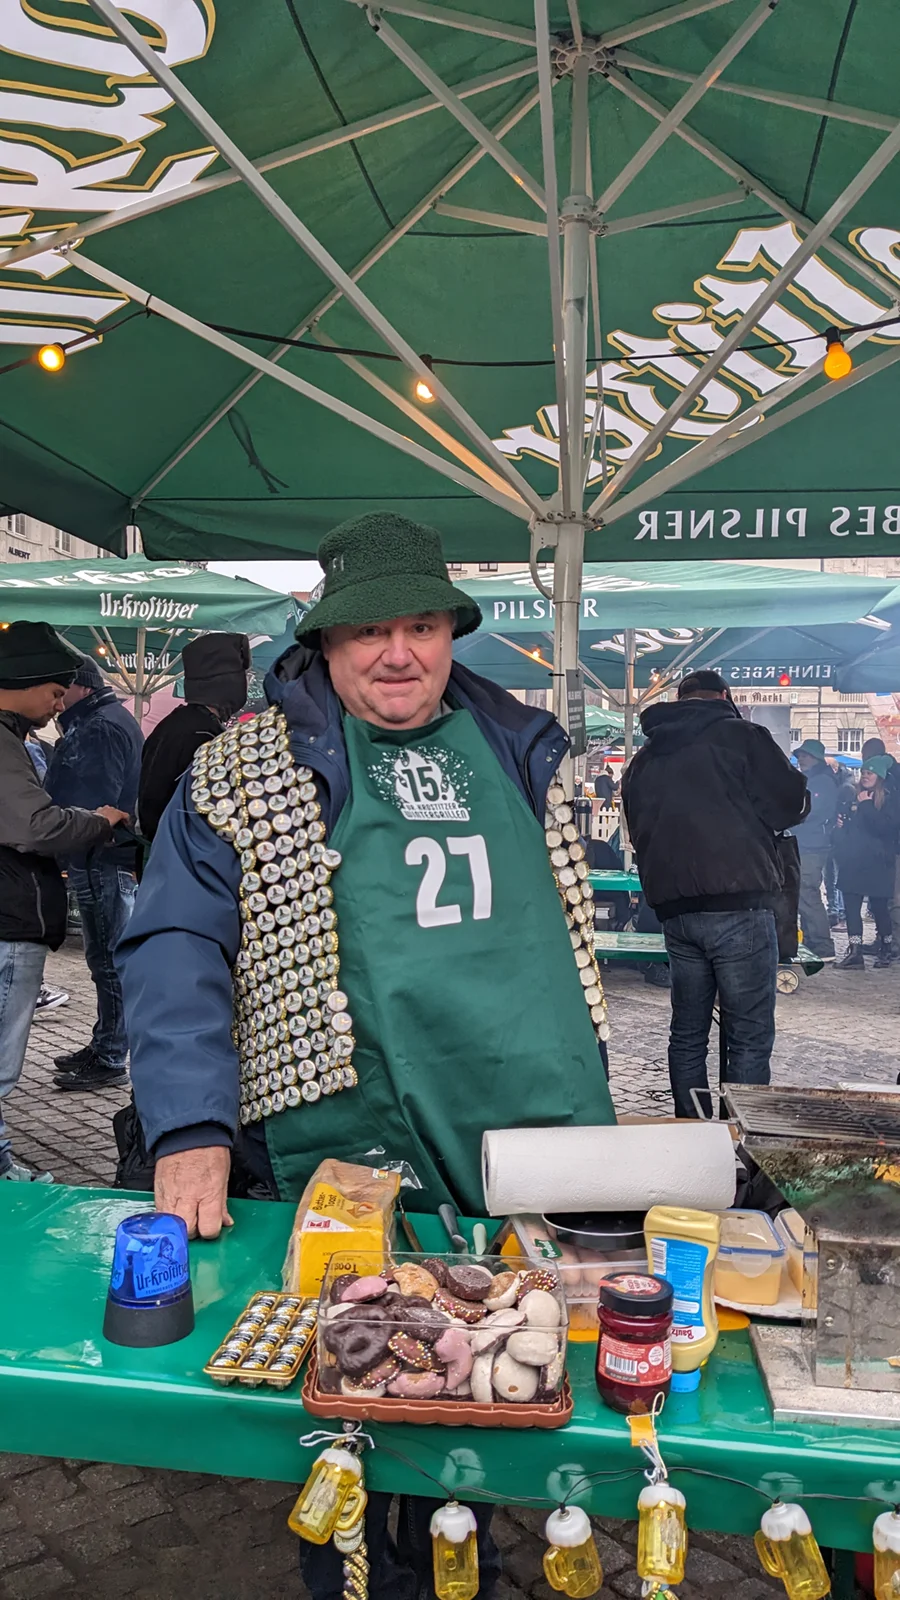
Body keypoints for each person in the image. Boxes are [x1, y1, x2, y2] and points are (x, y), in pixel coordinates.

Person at [119, 512, 616, 1600]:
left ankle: (460, 1537)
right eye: (369, 631)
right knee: (353, 1375)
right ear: (325, 644)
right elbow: (173, 947)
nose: (400, 652)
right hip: (357, 1129)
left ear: (452, 631)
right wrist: (193, 1126)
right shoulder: (242, 767)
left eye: (423, 625)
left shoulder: (524, 740)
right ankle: (357, 1568)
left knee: (502, 1360)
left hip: (535, 1124)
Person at [621, 669, 808, 1119]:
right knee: (747, 1032)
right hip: (740, 901)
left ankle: (692, 1131)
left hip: (676, 911)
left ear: (680, 699)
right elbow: (790, 804)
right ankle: (739, 1144)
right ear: (724, 696)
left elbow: (636, 827)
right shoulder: (743, 736)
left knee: (688, 1031)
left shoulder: (644, 758)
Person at [0, 623, 127, 1181]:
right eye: (54, 690)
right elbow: (36, 825)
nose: (58, 703)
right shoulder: (2, 741)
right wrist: (98, 821)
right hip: (7, 924)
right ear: (24, 681)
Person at [46, 656, 143, 1091]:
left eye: (58, 688)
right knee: (105, 959)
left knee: (107, 961)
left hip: (101, 857)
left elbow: (98, 804)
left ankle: (109, 1055)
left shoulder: (98, 726)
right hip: (102, 859)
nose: (53, 698)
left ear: (79, 686)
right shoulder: (102, 718)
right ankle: (106, 1042)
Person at [137, 632, 250, 843]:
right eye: (243, 676)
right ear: (228, 682)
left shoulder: (171, 724)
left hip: (161, 853)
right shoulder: (205, 737)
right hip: (186, 858)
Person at [834, 753, 898, 969]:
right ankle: (855, 952)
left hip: (878, 862)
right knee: (851, 906)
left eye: (869, 773)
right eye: (863, 772)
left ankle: (886, 948)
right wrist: (841, 829)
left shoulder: (889, 799)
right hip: (854, 860)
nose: (864, 776)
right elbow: (852, 829)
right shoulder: (855, 796)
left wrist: (866, 807)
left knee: (880, 908)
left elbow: (885, 828)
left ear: (879, 776)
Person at [791, 739, 846, 958]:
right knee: (804, 893)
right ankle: (813, 942)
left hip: (813, 845)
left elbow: (810, 812)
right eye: (800, 755)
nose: (800, 759)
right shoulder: (814, 779)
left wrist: (788, 818)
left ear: (815, 758)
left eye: (804, 755)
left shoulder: (822, 782)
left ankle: (823, 945)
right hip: (806, 843)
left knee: (808, 892)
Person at [861, 737, 900, 952]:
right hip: (886, 847)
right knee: (883, 900)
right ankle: (885, 940)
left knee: (893, 900)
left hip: (892, 846)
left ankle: (893, 943)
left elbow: (887, 822)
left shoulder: (891, 782)